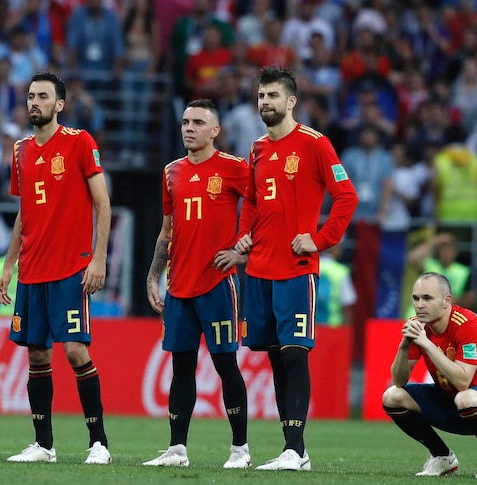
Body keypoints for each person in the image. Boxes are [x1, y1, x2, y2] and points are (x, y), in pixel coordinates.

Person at [223, 66, 358, 471]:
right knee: (277, 360)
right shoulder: (257, 148)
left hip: (297, 269)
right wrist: (243, 236)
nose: (265, 102)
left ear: (291, 101)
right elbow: (250, 200)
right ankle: (293, 449)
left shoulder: (315, 144)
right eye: (261, 96)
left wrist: (319, 239)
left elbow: (346, 196)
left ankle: (295, 449)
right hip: (260, 271)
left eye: (273, 96)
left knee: (296, 356)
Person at [0, 71, 112, 465]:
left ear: (59, 104)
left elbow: (103, 204)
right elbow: (23, 213)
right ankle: (43, 445)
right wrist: (9, 266)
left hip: (69, 270)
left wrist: (98, 258)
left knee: (76, 351)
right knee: (37, 357)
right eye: (30, 96)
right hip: (31, 271)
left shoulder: (79, 142)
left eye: (43, 96)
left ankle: (99, 443)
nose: (34, 102)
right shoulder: (20, 150)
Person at [142, 99, 250, 469]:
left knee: (225, 365)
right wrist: (154, 275)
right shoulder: (171, 171)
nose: (189, 127)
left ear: (215, 131)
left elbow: (265, 209)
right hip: (179, 287)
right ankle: (177, 450)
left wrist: (242, 251)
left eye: (198, 122)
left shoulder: (235, 168)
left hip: (218, 284)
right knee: (181, 367)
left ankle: (240, 450)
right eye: (186, 121)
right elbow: (167, 230)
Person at [382, 272, 477, 479]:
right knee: (392, 396)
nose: (419, 305)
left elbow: (463, 381)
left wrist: (426, 343)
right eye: (416, 298)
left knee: (466, 397)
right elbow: (400, 381)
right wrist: (404, 345)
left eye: (427, 298)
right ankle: (442, 457)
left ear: (446, 301)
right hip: (453, 403)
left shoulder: (469, 324)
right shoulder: (418, 325)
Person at [407, 233, 471, 308]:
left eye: (449, 249)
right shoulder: (430, 265)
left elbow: (465, 299)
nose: (445, 253)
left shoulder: (463, 271)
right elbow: (412, 257)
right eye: (442, 249)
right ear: (438, 252)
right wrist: (437, 240)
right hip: (417, 313)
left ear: (455, 252)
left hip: (445, 313)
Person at [316, 241, 356, 327]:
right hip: (333, 326)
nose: (341, 250)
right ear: (333, 248)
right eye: (339, 246)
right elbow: (346, 303)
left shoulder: (310, 268)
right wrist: (347, 329)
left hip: (309, 328)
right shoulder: (340, 271)